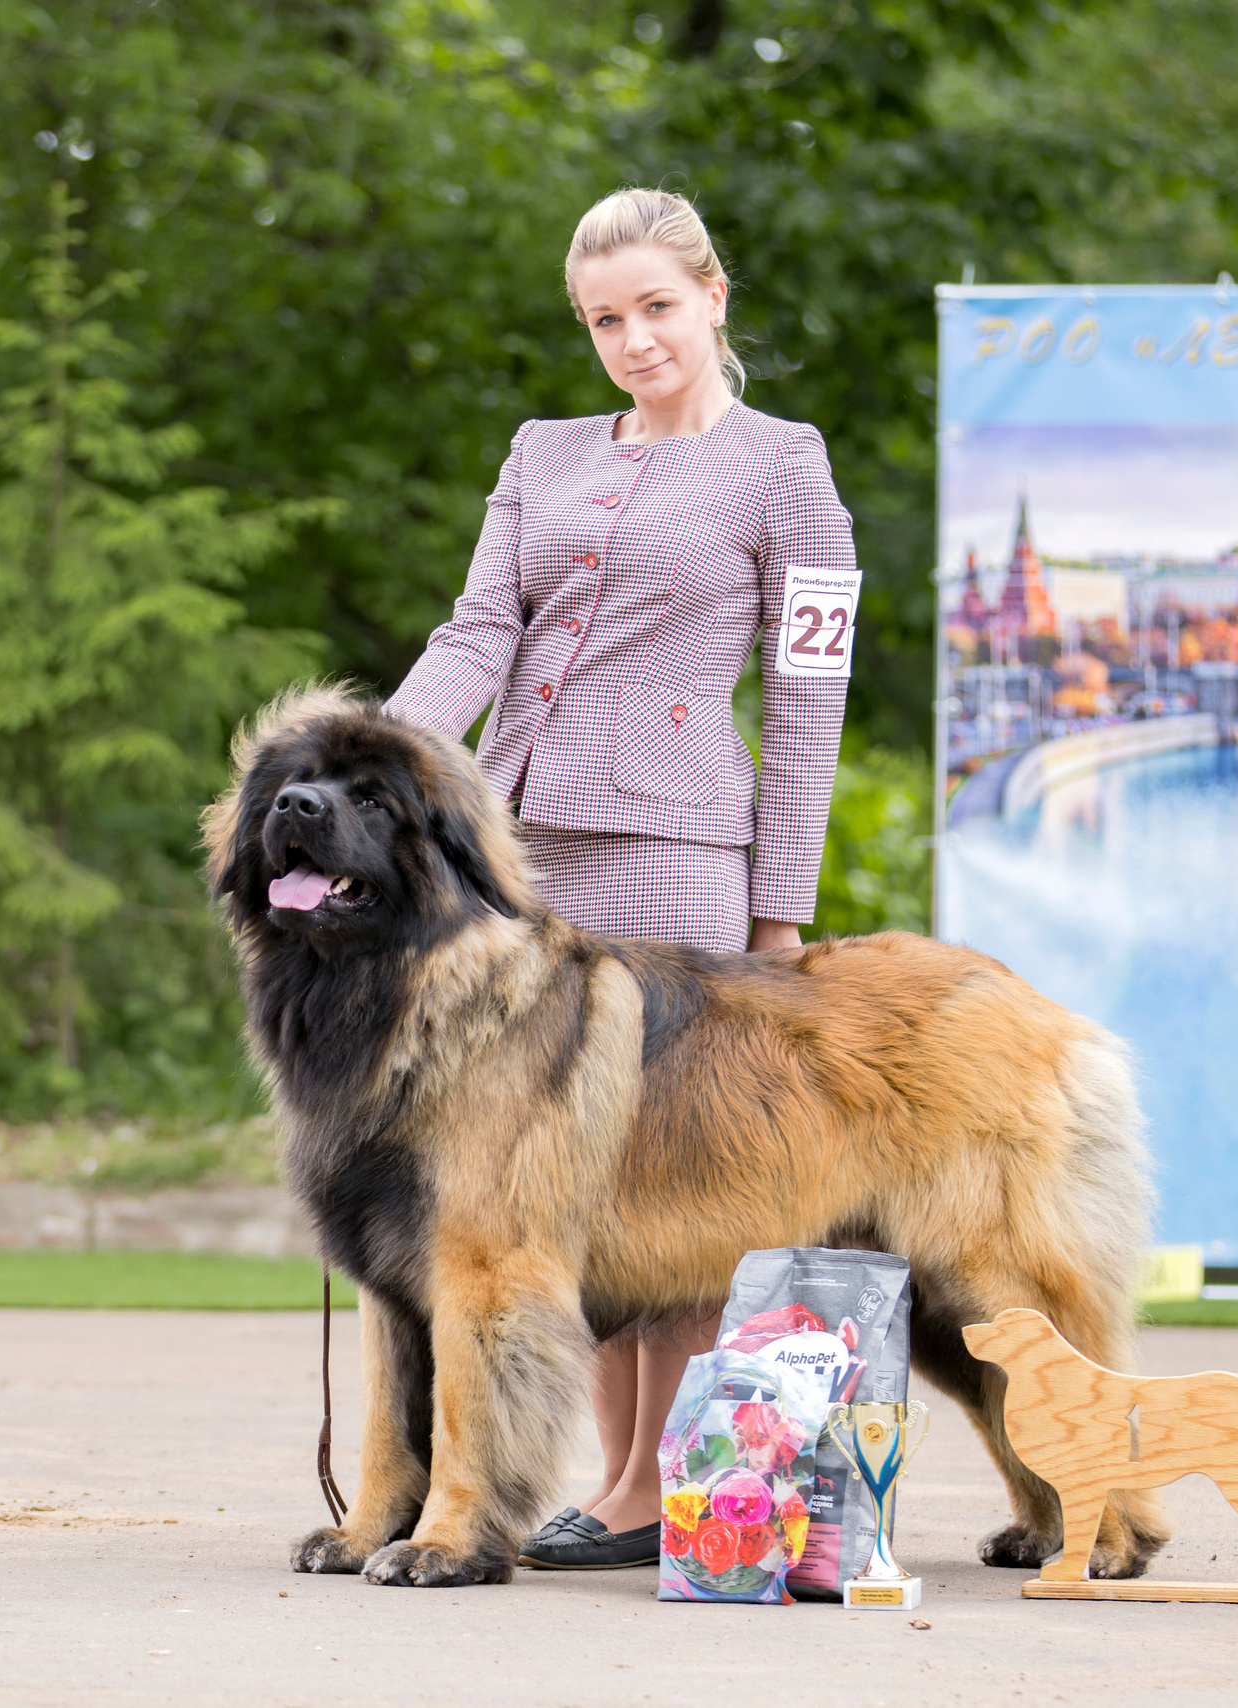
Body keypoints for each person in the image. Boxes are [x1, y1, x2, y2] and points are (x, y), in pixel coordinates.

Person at [384, 186, 855, 1570]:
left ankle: (665, 1488)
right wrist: (389, 763)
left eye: (656, 306)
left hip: (678, 858)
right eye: (604, 318)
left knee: (669, 1171)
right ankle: (610, 1477)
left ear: (713, 297)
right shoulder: (542, 453)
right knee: (550, 1182)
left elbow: (810, 690)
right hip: (518, 866)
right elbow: (479, 629)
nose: (632, 338)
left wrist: (784, 907)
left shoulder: (786, 465)